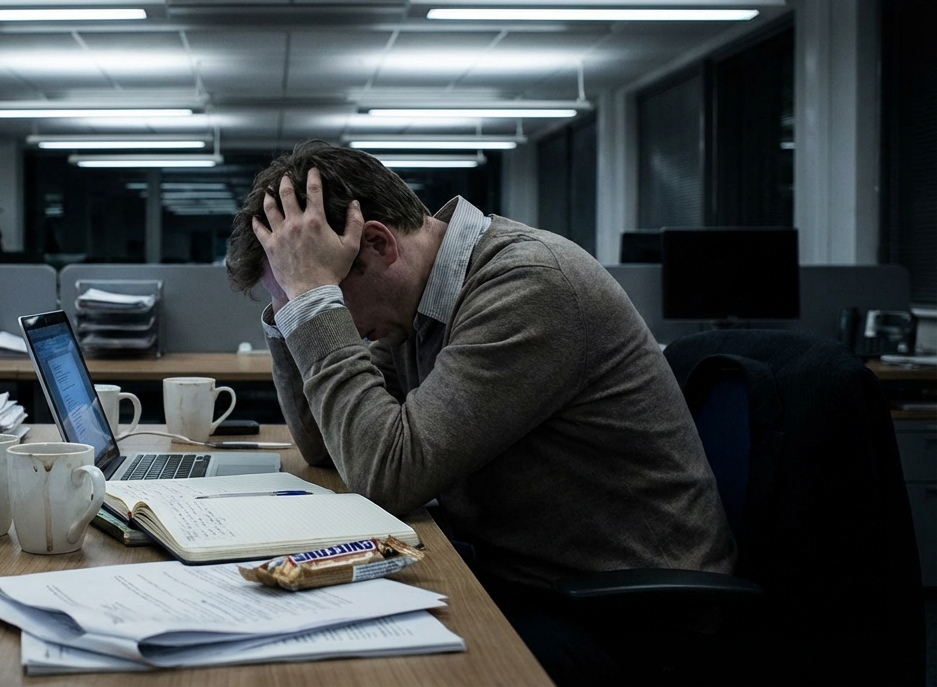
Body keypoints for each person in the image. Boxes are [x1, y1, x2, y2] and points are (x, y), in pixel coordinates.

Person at [225, 141, 735, 684]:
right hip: (524, 577)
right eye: (296, 299)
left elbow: (384, 475)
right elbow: (328, 446)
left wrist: (313, 306)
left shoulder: (528, 286)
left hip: (623, 611)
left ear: (376, 243)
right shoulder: (417, 302)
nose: (313, 310)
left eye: (321, 294)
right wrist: (293, 311)